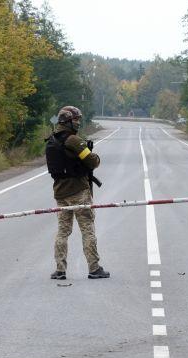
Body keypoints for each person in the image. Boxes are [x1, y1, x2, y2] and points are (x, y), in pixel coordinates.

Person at [46, 106, 110, 280]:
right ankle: (94, 268)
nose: (78, 123)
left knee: (62, 231)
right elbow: (93, 161)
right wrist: (90, 152)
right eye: (76, 120)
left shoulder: (51, 141)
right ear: (67, 121)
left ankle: (60, 270)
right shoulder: (73, 140)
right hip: (79, 192)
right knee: (87, 229)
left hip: (60, 193)